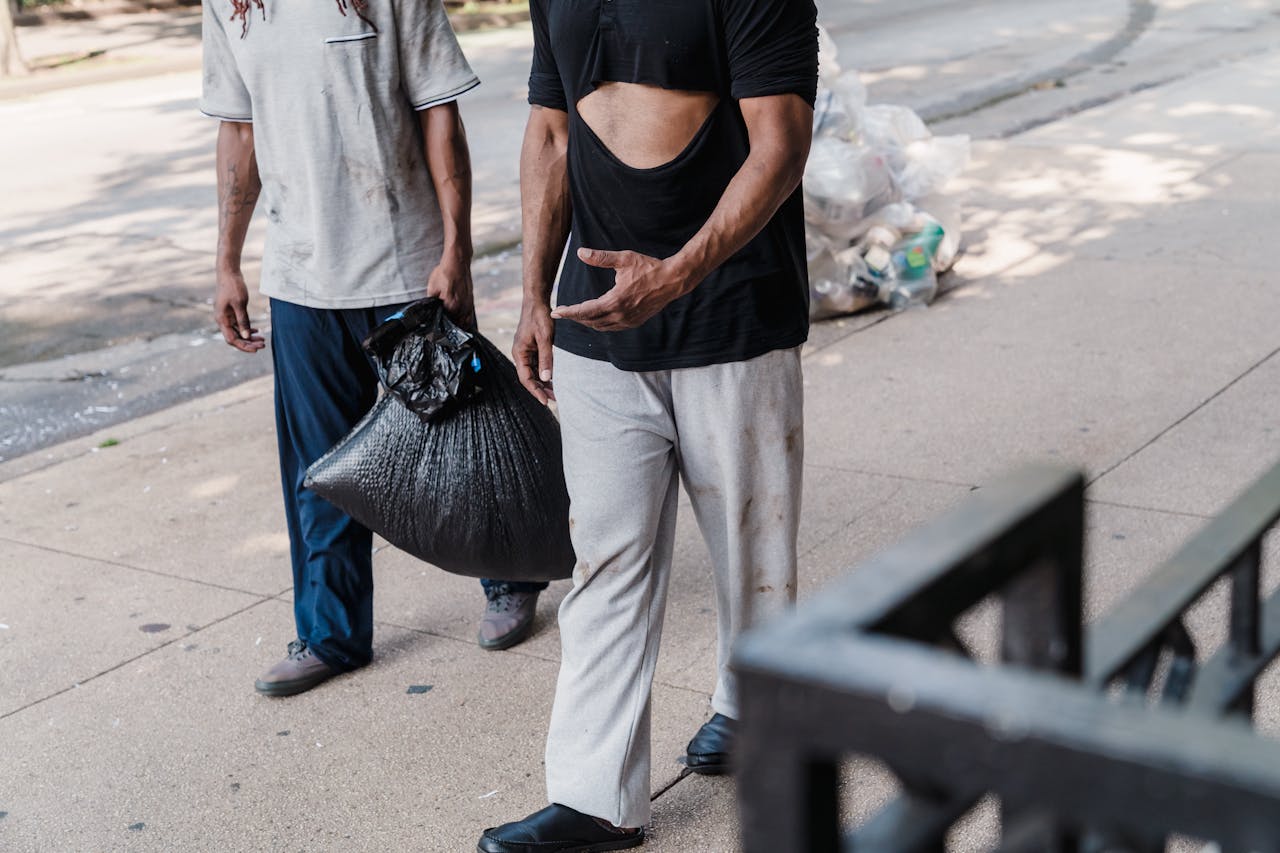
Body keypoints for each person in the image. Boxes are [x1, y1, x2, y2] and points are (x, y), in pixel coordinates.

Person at [478, 0, 818, 849]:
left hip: (732, 314)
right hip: (596, 325)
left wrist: (678, 275)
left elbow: (780, 143)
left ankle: (754, 706)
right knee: (605, 552)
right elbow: (551, 133)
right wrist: (532, 296)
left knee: (751, 547)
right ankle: (596, 796)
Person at [200, 0, 546, 698]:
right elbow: (239, 132)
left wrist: (457, 249)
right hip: (301, 275)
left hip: (407, 265)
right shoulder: (230, 5)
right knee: (319, 468)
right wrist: (227, 261)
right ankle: (331, 633)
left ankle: (510, 576)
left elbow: (439, 115)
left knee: (461, 448)